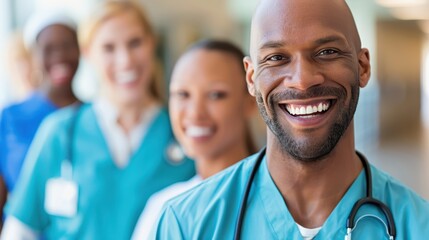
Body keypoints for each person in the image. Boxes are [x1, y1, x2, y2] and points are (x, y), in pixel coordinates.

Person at [151, 0, 429, 239]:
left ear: (362, 67)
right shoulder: (186, 224)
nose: (303, 81)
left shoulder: (419, 227)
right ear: (251, 78)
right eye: (276, 57)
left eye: (326, 52)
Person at [1, 2, 195, 239]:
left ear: (152, 43)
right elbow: (20, 230)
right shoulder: (60, 132)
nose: (125, 60)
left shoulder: (184, 133)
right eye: (109, 48)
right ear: (88, 53)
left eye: (135, 43)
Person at [131, 39, 257, 240]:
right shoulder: (163, 207)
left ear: (251, 102)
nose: (195, 113)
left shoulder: (279, 201)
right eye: (183, 94)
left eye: (216, 95)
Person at [0, 11, 80, 230]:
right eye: (49, 48)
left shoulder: (95, 116)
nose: (60, 55)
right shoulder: (10, 118)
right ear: (34, 55)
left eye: (67, 45)